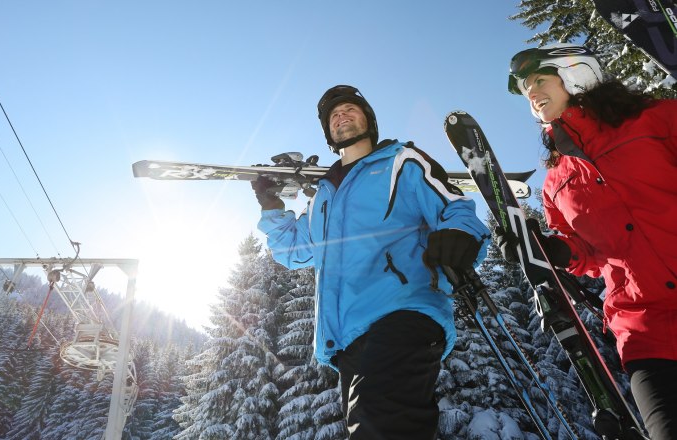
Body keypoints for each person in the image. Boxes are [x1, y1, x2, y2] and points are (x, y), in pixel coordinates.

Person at [252, 85, 489, 439]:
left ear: (369, 120)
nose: (341, 116)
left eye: (349, 109)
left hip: (404, 314)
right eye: (333, 115)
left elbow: (454, 208)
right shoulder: (325, 197)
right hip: (347, 338)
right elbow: (291, 249)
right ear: (328, 134)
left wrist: (460, 235)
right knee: (373, 426)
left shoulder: (401, 161)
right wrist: (271, 207)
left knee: (380, 426)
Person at [505, 43, 677, 439]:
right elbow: (587, 255)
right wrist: (557, 250)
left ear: (574, 73)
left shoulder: (654, 120)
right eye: (525, 87)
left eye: (538, 79)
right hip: (645, 331)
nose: (530, 92)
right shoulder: (555, 183)